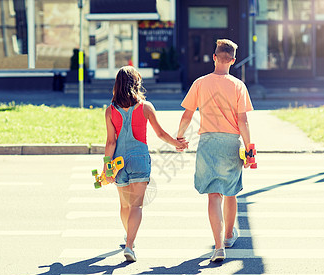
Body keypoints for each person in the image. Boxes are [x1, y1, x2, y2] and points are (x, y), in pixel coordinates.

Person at [176, 39, 253, 262]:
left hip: (208, 143)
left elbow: (187, 115)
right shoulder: (238, 86)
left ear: (214, 57)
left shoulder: (200, 83)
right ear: (233, 61)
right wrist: (249, 148)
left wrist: (180, 137)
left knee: (213, 195)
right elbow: (243, 120)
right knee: (231, 191)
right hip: (231, 143)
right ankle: (229, 235)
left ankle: (219, 246)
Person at [103, 66, 188, 262]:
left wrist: (107, 168)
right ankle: (130, 245)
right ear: (136, 83)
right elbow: (160, 133)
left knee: (124, 205)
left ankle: (128, 237)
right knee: (137, 206)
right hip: (140, 159)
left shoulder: (110, 110)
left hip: (118, 162)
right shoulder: (146, 107)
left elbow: (110, 142)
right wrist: (177, 144)